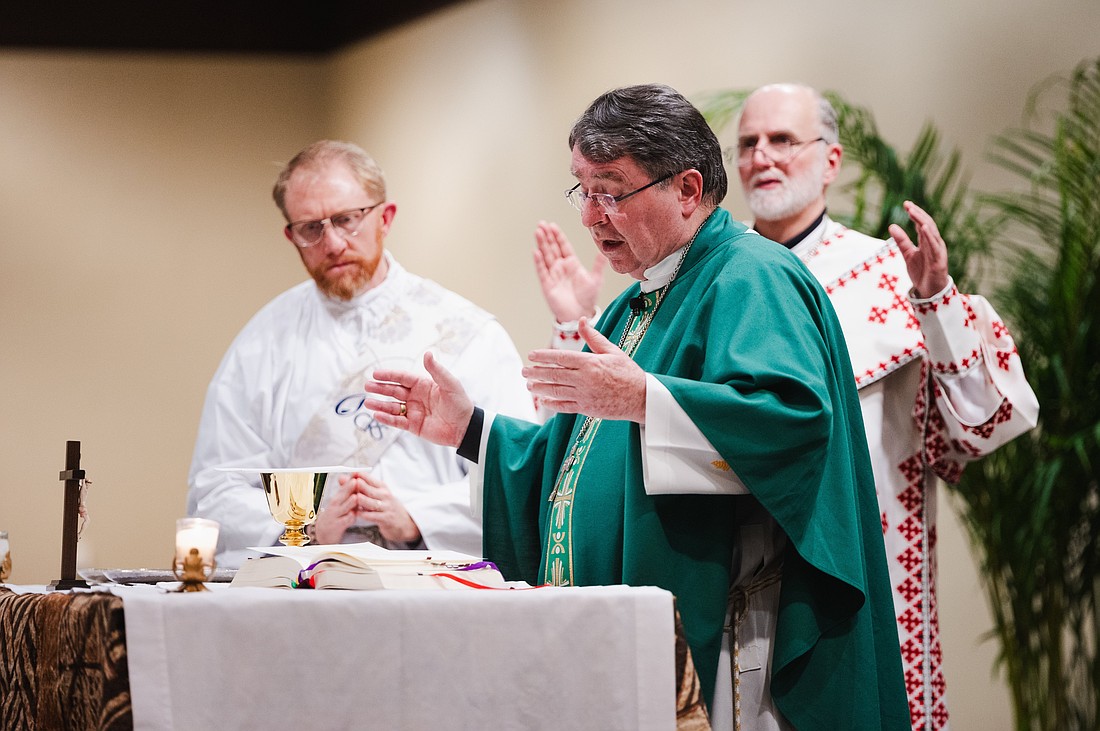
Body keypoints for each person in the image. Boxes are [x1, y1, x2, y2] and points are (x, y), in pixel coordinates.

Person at [362, 84, 910, 730]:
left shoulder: (752, 276)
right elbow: (573, 468)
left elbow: (790, 425)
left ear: (686, 188)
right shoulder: (634, 305)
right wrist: (469, 429)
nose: (592, 218)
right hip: (629, 637)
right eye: (582, 191)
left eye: (611, 192)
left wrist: (646, 398)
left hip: (726, 648)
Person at [537, 83, 1040, 731]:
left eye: (782, 139)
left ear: (831, 160)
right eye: (748, 141)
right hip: (752, 555)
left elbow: (980, 424)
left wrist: (939, 305)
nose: (761, 157)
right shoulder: (672, 279)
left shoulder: (874, 272)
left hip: (836, 553)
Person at [187, 140, 535, 568]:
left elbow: (517, 473)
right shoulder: (261, 345)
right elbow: (216, 489)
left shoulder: (468, 335)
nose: (331, 243)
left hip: (438, 586)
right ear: (291, 236)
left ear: (384, 218)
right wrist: (305, 528)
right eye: (310, 228)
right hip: (301, 593)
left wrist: (416, 517)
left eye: (346, 220)